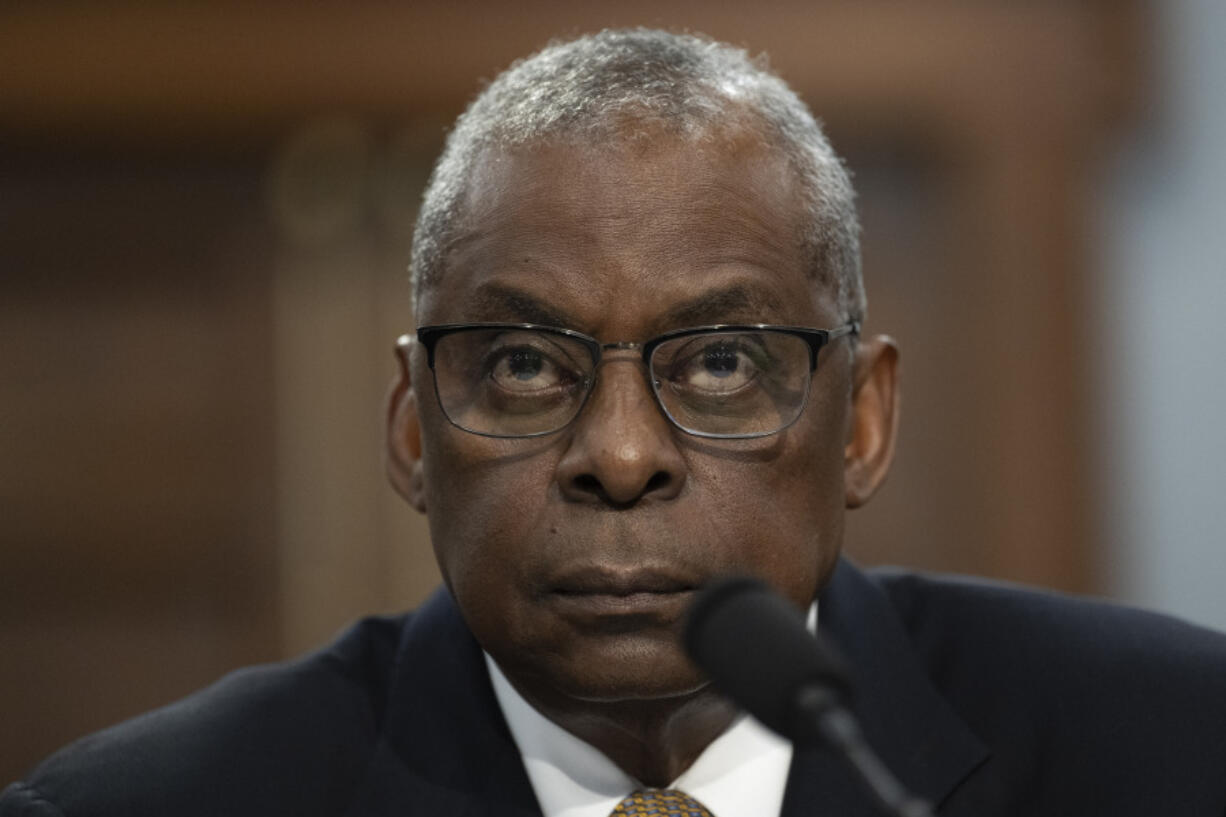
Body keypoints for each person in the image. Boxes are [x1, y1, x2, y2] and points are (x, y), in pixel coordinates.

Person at [4, 28, 1226, 817]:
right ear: (412, 433)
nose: (622, 454)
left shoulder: (1172, 753)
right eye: (528, 365)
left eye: (721, 362)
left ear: (858, 422)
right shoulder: (154, 807)